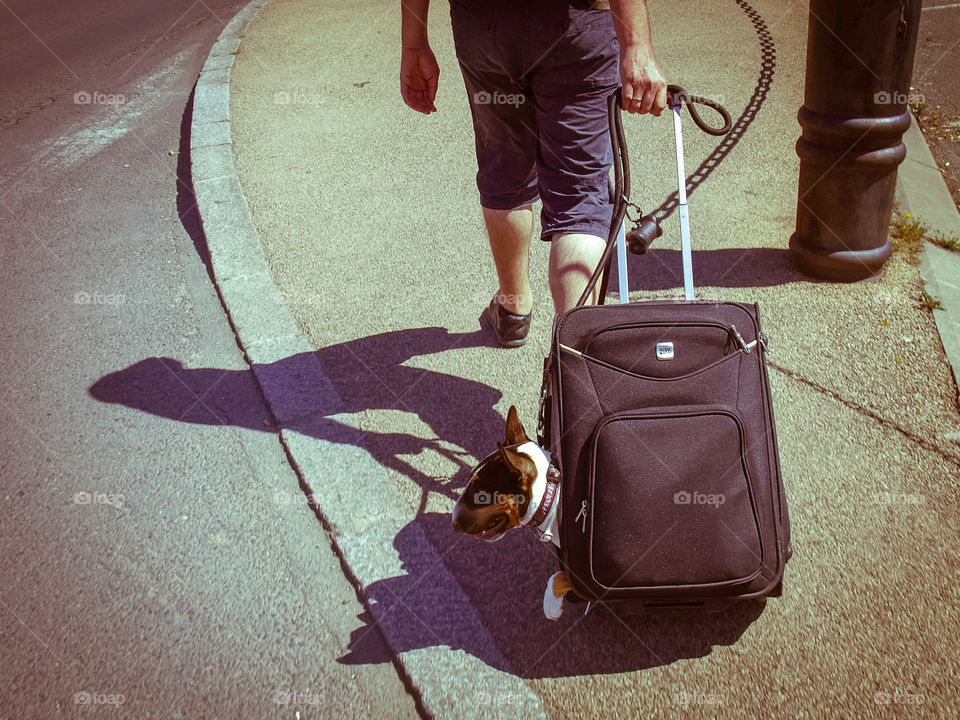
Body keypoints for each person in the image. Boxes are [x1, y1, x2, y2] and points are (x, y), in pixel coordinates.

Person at [400, 0, 667, 346]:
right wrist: (637, 45)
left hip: (485, 28)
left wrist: (414, 43)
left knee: (503, 164)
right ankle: (576, 369)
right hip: (577, 26)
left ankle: (513, 309)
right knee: (580, 199)